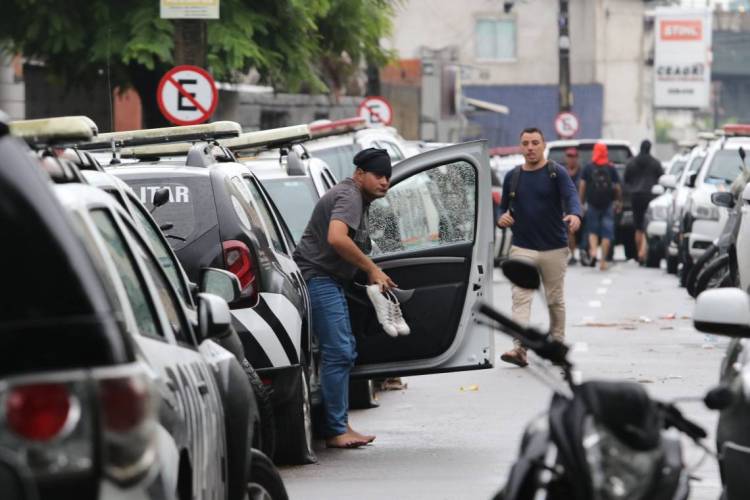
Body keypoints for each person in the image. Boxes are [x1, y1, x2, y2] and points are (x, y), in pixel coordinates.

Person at [293, 147, 395, 448]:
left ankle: (339, 424)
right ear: (360, 174)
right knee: (338, 352)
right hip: (319, 279)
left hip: (329, 279)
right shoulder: (350, 196)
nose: (385, 182)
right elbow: (337, 238)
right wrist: (371, 269)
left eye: (388, 176)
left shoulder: (355, 196)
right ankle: (336, 430)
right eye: (378, 175)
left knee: (343, 350)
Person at [496, 128, 582, 367]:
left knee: (554, 300)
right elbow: (502, 208)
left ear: (544, 146)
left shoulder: (557, 173)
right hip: (523, 247)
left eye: (535, 143)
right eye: (525, 143)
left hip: (554, 247)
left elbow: (572, 197)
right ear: (520, 147)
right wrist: (501, 218)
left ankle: (557, 344)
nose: (530, 147)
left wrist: (575, 215)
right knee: (520, 299)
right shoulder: (513, 177)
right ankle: (519, 348)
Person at [579, 142, 622, 271]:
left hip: (592, 204)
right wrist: (618, 201)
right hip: (607, 204)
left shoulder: (588, 168)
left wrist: (581, 202)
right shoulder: (611, 168)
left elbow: (582, 186)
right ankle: (603, 261)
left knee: (593, 230)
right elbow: (618, 187)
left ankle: (593, 252)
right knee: (607, 233)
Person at [624, 140, 663, 263]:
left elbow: (626, 179)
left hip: (635, 196)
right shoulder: (655, 163)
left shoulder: (631, 163)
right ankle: (643, 252)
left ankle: (638, 254)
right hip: (650, 196)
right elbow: (661, 178)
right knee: (647, 225)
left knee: (638, 226)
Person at [564, 147, 583, 264]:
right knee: (569, 231)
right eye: (569, 156)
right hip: (564, 206)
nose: (571, 159)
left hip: (579, 205)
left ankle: (583, 251)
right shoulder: (562, 172)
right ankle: (572, 254)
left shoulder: (582, 171)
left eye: (573, 156)